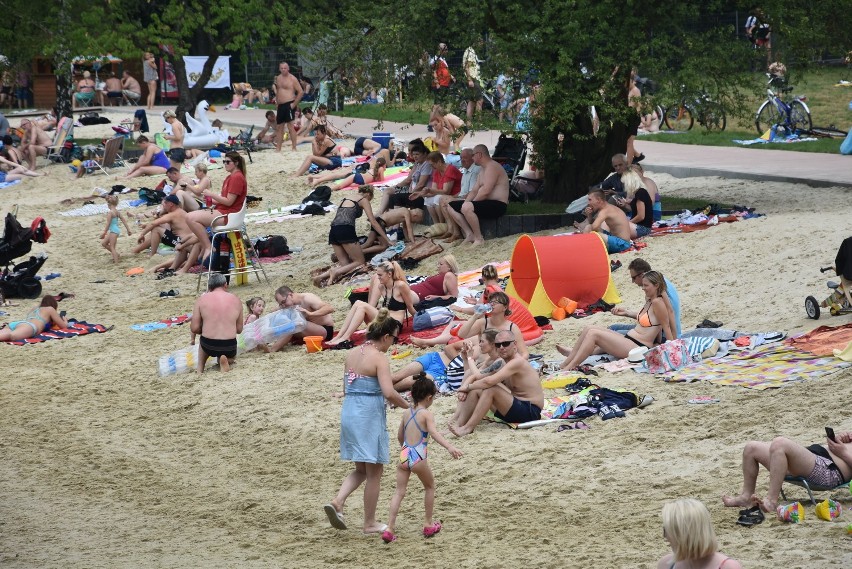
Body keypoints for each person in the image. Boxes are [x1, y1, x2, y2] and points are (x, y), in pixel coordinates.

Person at [324, 309, 409, 534]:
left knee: (361, 469)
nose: (393, 343)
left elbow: (346, 388)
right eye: (394, 338)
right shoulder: (379, 358)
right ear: (385, 337)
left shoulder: (352, 353)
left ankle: (338, 501)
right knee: (374, 472)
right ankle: (369, 523)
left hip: (350, 411)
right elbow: (389, 392)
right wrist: (408, 407)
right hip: (367, 415)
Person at [382, 373, 463, 543]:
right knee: (429, 487)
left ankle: (390, 527)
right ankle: (427, 523)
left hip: (405, 454)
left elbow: (399, 436)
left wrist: (405, 450)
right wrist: (450, 447)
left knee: (399, 492)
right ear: (429, 397)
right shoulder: (426, 414)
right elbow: (433, 434)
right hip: (418, 456)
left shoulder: (406, 413)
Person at [558, 271, 675, 370]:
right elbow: (653, 323)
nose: (643, 288)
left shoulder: (657, 302)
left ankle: (570, 367)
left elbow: (666, 325)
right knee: (589, 328)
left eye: (646, 285)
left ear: (656, 285)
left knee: (594, 334)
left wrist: (672, 347)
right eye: (643, 285)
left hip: (638, 347)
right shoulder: (649, 299)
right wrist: (625, 312)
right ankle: (566, 362)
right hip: (630, 340)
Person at [722, 432, 852, 517]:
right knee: (751, 448)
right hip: (817, 455)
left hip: (830, 470)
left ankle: (771, 501)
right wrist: (842, 438)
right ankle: (745, 496)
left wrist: (844, 453)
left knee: (780, 443)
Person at [449, 329, 544, 437]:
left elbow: (489, 381)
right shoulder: (502, 361)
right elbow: (478, 376)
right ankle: (460, 424)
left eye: (506, 344)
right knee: (477, 389)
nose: (502, 347)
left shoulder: (517, 362)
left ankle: (468, 428)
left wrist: (466, 387)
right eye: (498, 345)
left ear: (515, 344)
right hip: (516, 407)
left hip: (530, 411)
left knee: (491, 389)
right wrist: (467, 385)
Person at [327, 261, 417, 348]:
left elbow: (410, 307)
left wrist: (420, 320)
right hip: (384, 321)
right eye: (377, 275)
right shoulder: (381, 287)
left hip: (394, 327)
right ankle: (339, 336)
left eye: (380, 275)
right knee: (358, 303)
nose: (378, 277)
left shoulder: (401, 285)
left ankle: (345, 337)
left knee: (362, 305)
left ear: (389, 274)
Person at [412, 290, 528, 357]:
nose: (492, 304)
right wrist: (475, 316)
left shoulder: (512, 327)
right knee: (449, 347)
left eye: (496, 302)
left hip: (496, 360)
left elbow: (524, 353)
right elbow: (462, 334)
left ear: (505, 307)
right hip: (484, 358)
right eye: (490, 302)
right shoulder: (483, 322)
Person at [185, 151, 248, 263]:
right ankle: (207, 245)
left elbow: (229, 202)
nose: (225, 164)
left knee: (190, 218)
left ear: (236, 163)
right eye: (224, 161)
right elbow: (226, 200)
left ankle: (208, 246)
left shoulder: (237, 177)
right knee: (190, 217)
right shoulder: (231, 177)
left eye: (228, 162)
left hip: (230, 215)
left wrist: (211, 195)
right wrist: (212, 200)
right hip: (225, 211)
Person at [447, 144, 509, 245]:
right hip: (486, 202)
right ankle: (469, 234)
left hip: (498, 205)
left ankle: (479, 238)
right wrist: (466, 203)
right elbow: (474, 190)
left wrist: (470, 204)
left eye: (473, 155)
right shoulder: (483, 169)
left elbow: (486, 191)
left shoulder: (492, 166)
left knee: (467, 207)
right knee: (451, 205)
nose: (472, 158)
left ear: (479, 155)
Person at [657, 499, 742, 569]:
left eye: (667, 531)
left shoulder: (728, 567)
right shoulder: (666, 564)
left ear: (683, 534)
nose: (665, 537)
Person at [610, 258, 681, 339]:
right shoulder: (659, 280)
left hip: (663, 335)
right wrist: (627, 313)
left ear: (642, 275)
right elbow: (653, 316)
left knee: (614, 330)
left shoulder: (657, 292)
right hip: (661, 331)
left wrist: (674, 340)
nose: (633, 281)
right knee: (614, 328)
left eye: (633, 278)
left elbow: (667, 315)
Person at [190, 273, 244, 373]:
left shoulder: (201, 300)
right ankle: (227, 360)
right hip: (229, 346)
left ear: (209, 287)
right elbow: (239, 329)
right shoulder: (237, 300)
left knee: (203, 343)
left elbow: (194, 328)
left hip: (208, 345)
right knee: (230, 355)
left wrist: (205, 329)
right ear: (225, 285)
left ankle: (200, 369)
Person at [135, 195, 200, 274]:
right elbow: (167, 226)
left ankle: (152, 255)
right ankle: (141, 251)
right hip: (189, 240)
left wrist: (142, 234)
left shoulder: (173, 215)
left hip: (183, 241)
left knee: (156, 229)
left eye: (164, 205)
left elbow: (153, 224)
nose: (163, 207)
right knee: (157, 228)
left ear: (171, 204)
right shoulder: (181, 211)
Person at [262, 285, 336, 352]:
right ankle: (262, 342)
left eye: (284, 302)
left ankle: (273, 349)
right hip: (307, 330)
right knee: (282, 320)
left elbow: (329, 308)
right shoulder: (288, 305)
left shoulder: (307, 298)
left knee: (294, 324)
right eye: (281, 304)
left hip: (324, 330)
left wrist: (311, 314)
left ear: (290, 295)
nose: (284, 306)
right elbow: (274, 312)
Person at [435, 148, 479, 242]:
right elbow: (462, 191)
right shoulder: (466, 171)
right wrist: (454, 197)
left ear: (472, 158)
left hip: (471, 200)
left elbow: (472, 193)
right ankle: (452, 230)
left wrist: (455, 198)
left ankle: (457, 233)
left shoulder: (475, 170)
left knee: (447, 201)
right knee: (443, 199)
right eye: (461, 158)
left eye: (465, 158)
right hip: (464, 197)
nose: (462, 160)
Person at [415, 151, 462, 226]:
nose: (431, 167)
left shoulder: (449, 169)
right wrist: (421, 194)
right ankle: (436, 224)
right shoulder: (437, 171)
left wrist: (429, 190)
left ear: (439, 162)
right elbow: (434, 189)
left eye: (432, 164)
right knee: (428, 199)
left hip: (456, 195)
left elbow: (446, 191)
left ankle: (442, 224)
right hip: (445, 194)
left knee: (438, 198)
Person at [583, 188, 633, 253]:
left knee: (594, 233)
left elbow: (594, 227)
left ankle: (584, 249)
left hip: (623, 244)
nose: (588, 203)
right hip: (615, 238)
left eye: (590, 200)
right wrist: (589, 215)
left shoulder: (605, 211)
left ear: (598, 200)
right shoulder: (607, 207)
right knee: (588, 227)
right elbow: (592, 226)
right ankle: (584, 248)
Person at [0, 295, 68, 342]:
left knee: (4, 335)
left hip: (18, 323)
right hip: (30, 327)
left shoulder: (34, 308)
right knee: (12, 336)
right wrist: (65, 321)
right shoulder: (50, 309)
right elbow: (63, 326)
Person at [273, 61, 303, 152]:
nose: (283, 70)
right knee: (279, 127)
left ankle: (294, 147)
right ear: (279, 69)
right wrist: (277, 102)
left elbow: (301, 92)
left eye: (285, 68)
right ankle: (278, 148)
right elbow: (278, 90)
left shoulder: (292, 79)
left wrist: (294, 104)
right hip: (281, 105)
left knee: (290, 126)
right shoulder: (278, 78)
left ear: (288, 68)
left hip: (289, 103)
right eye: (281, 68)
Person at [615, 168, 653, 239]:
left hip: (642, 228)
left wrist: (627, 223)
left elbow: (641, 216)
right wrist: (626, 204)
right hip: (641, 227)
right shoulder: (640, 192)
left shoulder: (640, 193)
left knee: (617, 226)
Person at [308, 157, 386, 191]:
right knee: (337, 177)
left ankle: (315, 178)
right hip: (357, 176)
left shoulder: (374, 167)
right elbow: (382, 180)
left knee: (337, 175)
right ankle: (317, 181)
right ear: (383, 165)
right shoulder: (381, 169)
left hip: (358, 176)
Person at [100, 194, 133, 263]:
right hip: (115, 230)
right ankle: (116, 254)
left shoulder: (110, 213)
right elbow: (124, 220)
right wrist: (128, 230)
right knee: (104, 243)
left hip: (113, 231)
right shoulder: (117, 212)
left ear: (109, 205)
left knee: (112, 247)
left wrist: (104, 232)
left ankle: (116, 262)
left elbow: (108, 224)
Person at [626, 70, 644, 165]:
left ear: (632, 81)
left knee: (629, 142)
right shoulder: (627, 90)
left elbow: (639, 106)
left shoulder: (635, 90)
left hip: (633, 117)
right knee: (625, 141)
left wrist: (640, 119)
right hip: (627, 117)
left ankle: (629, 164)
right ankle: (637, 155)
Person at [462, 41, 484, 123]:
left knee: (472, 101)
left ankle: (468, 123)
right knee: (479, 100)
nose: (481, 44)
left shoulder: (470, 51)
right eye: (480, 42)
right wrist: (470, 79)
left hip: (473, 79)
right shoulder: (470, 52)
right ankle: (479, 123)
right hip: (473, 79)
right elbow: (467, 67)